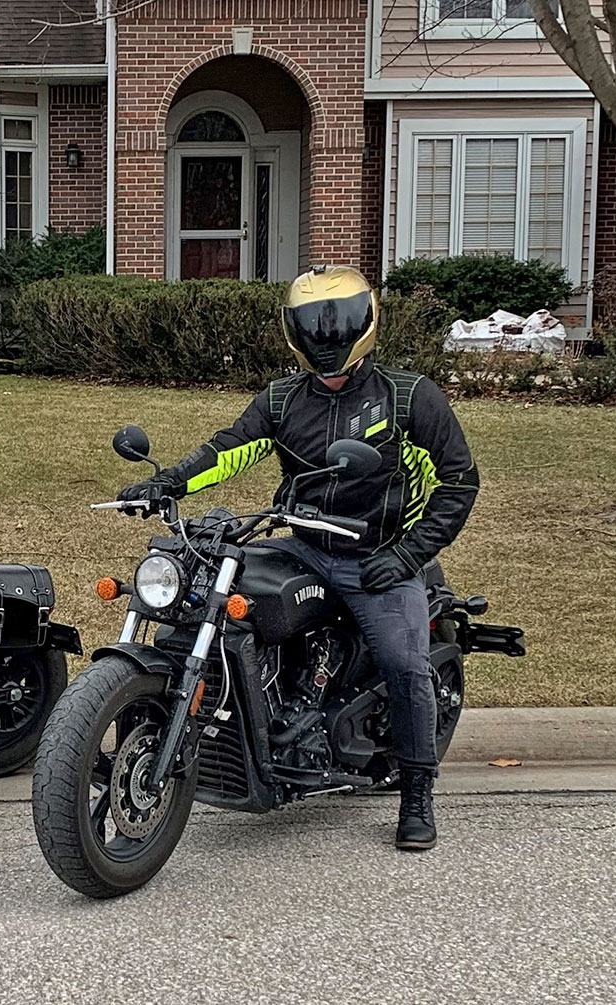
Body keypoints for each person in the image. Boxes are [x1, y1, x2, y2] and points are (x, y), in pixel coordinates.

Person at [118, 266, 478, 851]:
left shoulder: (409, 398)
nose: (326, 335)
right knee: (220, 602)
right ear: (294, 330)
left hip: (378, 557)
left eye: (336, 322)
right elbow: (231, 447)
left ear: (365, 322)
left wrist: (409, 554)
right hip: (304, 546)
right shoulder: (282, 400)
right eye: (313, 324)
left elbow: (458, 482)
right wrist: (172, 482)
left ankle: (416, 794)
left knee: (403, 661)